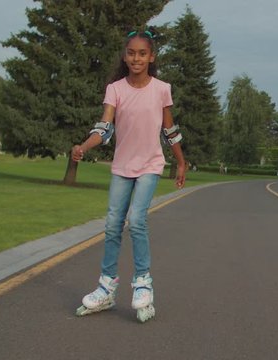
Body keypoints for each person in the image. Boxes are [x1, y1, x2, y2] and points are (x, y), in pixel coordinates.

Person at [72, 28, 185, 323]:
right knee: (112, 225)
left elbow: (169, 130)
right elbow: (105, 127)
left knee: (136, 220)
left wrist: (181, 163)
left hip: (150, 164)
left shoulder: (162, 89)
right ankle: (106, 287)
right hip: (122, 167)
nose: (136, 58)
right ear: (125, 56)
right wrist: (83, 146)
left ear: (152, 57)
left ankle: (143, 282)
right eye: (131, 53)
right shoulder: (116, 89)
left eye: (142, 53)